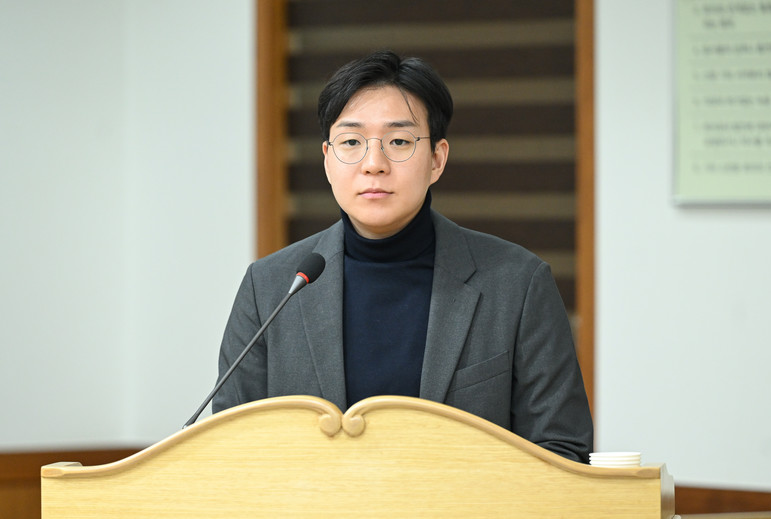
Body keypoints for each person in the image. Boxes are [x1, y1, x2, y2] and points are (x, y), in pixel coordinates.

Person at [212, 50, 593, 463]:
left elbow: (563, 450)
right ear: (327, 161)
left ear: (437, 160)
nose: (374, 164)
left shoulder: (517, 283)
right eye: (351, 142)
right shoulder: (270, 288)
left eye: (398, 141)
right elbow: (232, 451)